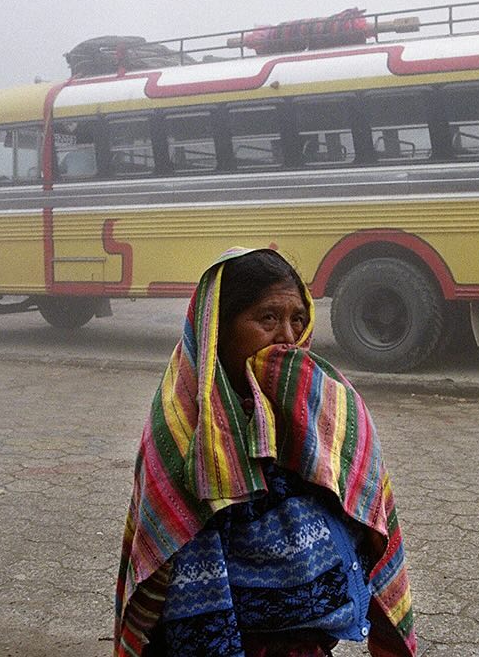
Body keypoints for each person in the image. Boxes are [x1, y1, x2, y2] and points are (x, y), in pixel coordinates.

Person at [113, 247, 416, 657]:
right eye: (268, 318)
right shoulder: (193, 431)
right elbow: (196, 603)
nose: (288, 338)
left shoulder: (322, 406)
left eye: (298, 320)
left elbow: (367, 516)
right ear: (218, 329)